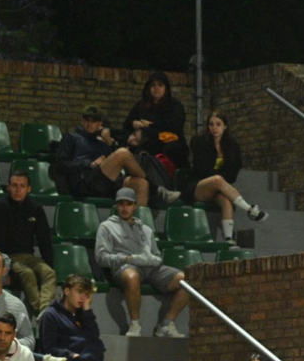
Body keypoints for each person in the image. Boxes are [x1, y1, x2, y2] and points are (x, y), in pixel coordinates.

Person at [94, 187, 189, 338]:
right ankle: (135, 324)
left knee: (186, 280)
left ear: (135, 205)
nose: (125, 208)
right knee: (132, 277)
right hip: (125, 267)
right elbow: (101, 257)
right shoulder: (106, 227)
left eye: (129, 204)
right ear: (116, 206)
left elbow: (156, 255)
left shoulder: (145, 229)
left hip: (149, 268)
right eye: (121, 204)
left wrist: (154, 259)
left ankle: (166, 324)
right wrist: (126, 258)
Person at [54, 105, 167, 206]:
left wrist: (110, 143)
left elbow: (116, 167)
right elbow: (60, 166)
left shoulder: (102, 144)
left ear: (100, 124)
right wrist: (89, 164)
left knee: (141, 183)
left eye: (93, 121)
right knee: (123, 153)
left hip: (104, 183)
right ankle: (156, 189)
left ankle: (137, 227)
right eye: (86, 120)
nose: (89, 124)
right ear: (81, 120)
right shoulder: (71, 138)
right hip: (83, 182)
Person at [183, 110, 268, 243]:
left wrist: (222, 183)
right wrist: (220, 180)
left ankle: (228, 238)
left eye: (218, 124)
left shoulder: (232, 145)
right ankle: (250, 209)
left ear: (225, 126)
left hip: (220, 186)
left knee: (226, 200)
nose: (214, 128)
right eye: (211, 124)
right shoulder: (199, 141)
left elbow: (233, 171)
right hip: (199, 185)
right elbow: (201, 169)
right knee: (217, 179)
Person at [0, 169, 57, 315]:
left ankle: (44, 311)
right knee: (28, 274)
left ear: (28, 188)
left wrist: (48, 263)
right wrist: (4, 269)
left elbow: (44, 240)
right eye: (14, 185)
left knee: (49, 272)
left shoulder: (35, 208)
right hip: (8, 256)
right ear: (8, 187)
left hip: (28, 256)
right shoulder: (0, 207)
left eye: (22, 186)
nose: (18, 189)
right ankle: (42, 313)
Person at [39, 273, 113, 361]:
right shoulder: (51, 314)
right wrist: (71, 355)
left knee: (92, 352)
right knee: (89, 356)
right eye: (79, 292)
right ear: (67, 291)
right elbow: (49, 349)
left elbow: (94, 336)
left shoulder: (82, 314)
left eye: (86, 294)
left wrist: (87, 310)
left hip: (82, 359)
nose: (83, 298)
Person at [124, 72, 190, 169]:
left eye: (160, 85)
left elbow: (175, 124)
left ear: (165, 88)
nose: (156, 88)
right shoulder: (141, 105)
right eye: (153, 85)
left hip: (167, 142)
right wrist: (134, 123)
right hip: (145, 141)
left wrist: (151, 125)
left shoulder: (174, 105)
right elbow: (127, 123)